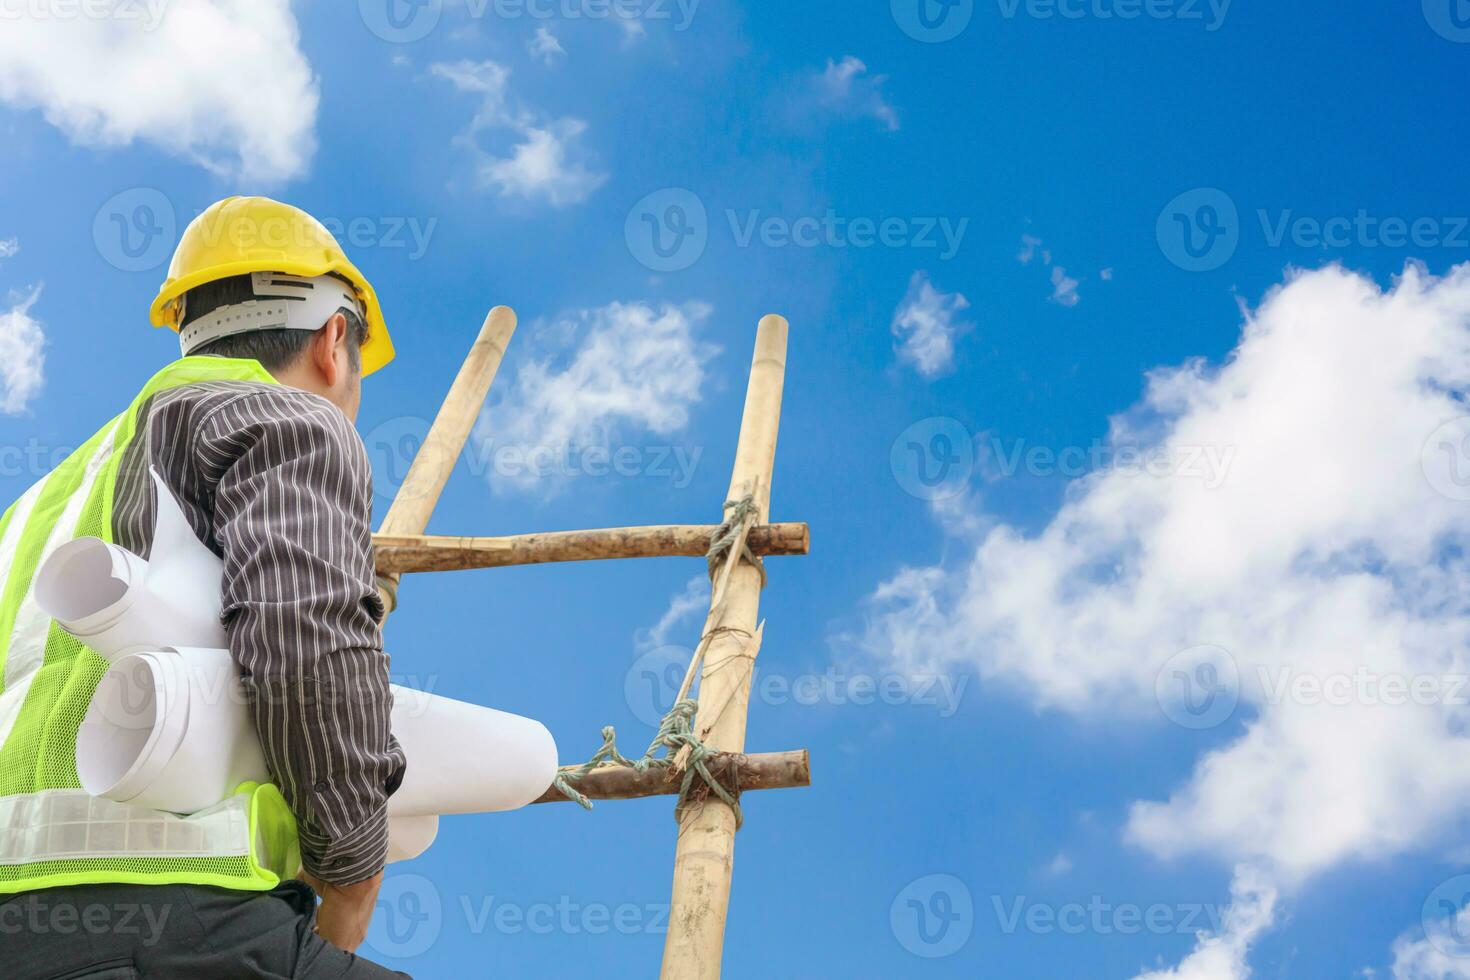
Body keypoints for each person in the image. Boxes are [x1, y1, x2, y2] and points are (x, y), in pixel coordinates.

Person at [0, 196, 411, 978]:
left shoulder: (35, 507)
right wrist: (351, 873)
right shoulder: (288, 419)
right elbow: (304, 641)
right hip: (171, 914)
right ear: (334, 342)